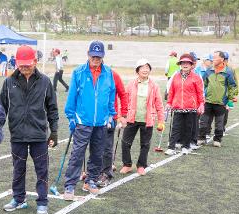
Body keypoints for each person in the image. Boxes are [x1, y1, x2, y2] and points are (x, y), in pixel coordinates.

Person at [0, 45, 59, 214]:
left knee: (42, 170)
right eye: (21, 64)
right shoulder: (9, 82)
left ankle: (42, 202)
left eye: (28, 64)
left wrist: (53, 131)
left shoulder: (45, 82)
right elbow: (1, 107)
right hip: (17, 135)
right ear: (16, 63)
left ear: (35, 61)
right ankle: (19, 199)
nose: (25, 67)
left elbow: (53, 109)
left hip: (39, 135)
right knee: (18, 168)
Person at [63, 40, 116, 200]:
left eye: (98, 57)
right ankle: (70, 185)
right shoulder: (78, 72)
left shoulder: (108, 72)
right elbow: (72, 96)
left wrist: (111, 114)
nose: (96, 59)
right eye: (93, 56)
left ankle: (91, 180)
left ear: (102, 56)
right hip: (82, 121)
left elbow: (111, 95)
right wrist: (71, 116)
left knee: (97, 154)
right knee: (77, 154)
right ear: (88, 54)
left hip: (100, 122)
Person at [120, 59, 165, 175]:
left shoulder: (154, 85)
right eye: (142, 67)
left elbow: (159, 104)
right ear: (137, 71)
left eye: (147, 67)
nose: (145, 70)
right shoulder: (131, 84)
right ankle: (127, 164)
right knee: (125, 142)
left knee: (145, 144)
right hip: (131, 118)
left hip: (147, 119)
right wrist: (122, 116)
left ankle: (141, 165)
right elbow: (124, 101)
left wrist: (161, 120)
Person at [164, 53, 204, 155]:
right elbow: (172, 91)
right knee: (175, 128)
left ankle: (186, 146)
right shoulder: (175, 76)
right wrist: (169, 103)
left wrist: (201, 104)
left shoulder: (196, 77)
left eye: (187, 63)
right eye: (183, 63)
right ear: (180, 64)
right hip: (177, 106)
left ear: (191, 65)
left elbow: (200, 92)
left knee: (188, 128)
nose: (185, 65)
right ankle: (171, 147)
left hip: (191, 107)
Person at [197, 51, 237, 147]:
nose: (212, 60)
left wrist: (230, 100)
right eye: (212, 58)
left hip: (221, 103)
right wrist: (203, 97)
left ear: (222, 59)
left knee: (219, 123)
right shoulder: (209, 70)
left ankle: (217, 140)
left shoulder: (228, 72)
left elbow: (232, 86)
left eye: (215, 58)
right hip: (207, 101)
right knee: (203, 121)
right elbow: (203, 84)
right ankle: (201, 138)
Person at [96, 69, 128, 186]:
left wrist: (123, 114)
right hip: (91, 118)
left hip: (109, 118)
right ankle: (95, 172)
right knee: (95, 147)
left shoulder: (113, 74)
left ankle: (106, 174)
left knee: (106, 148)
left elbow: (123, 94)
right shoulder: (86, 74)